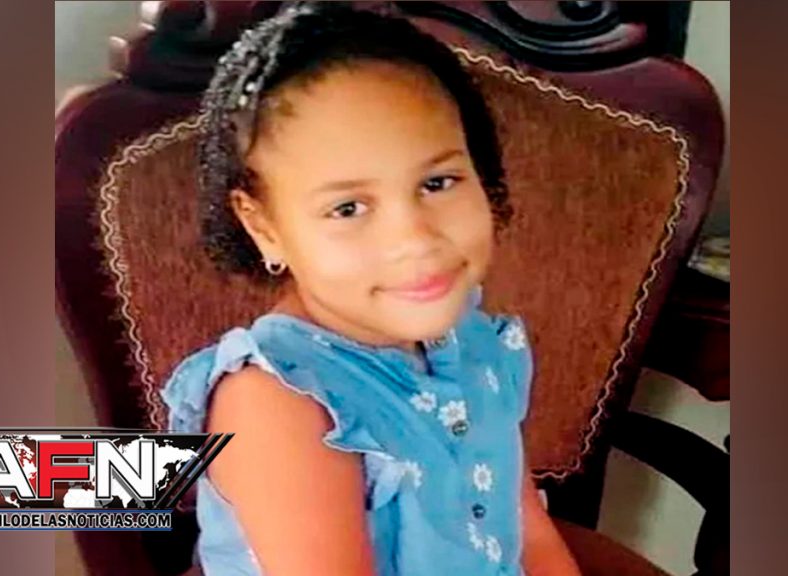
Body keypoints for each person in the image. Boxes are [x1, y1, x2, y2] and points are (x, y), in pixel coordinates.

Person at [161, 3, 581, 575]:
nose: (415, 239)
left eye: (438, 182)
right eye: (348, 208)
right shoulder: (279, 405)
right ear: (264, 227)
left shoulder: (475, 343)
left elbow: (527, 528)